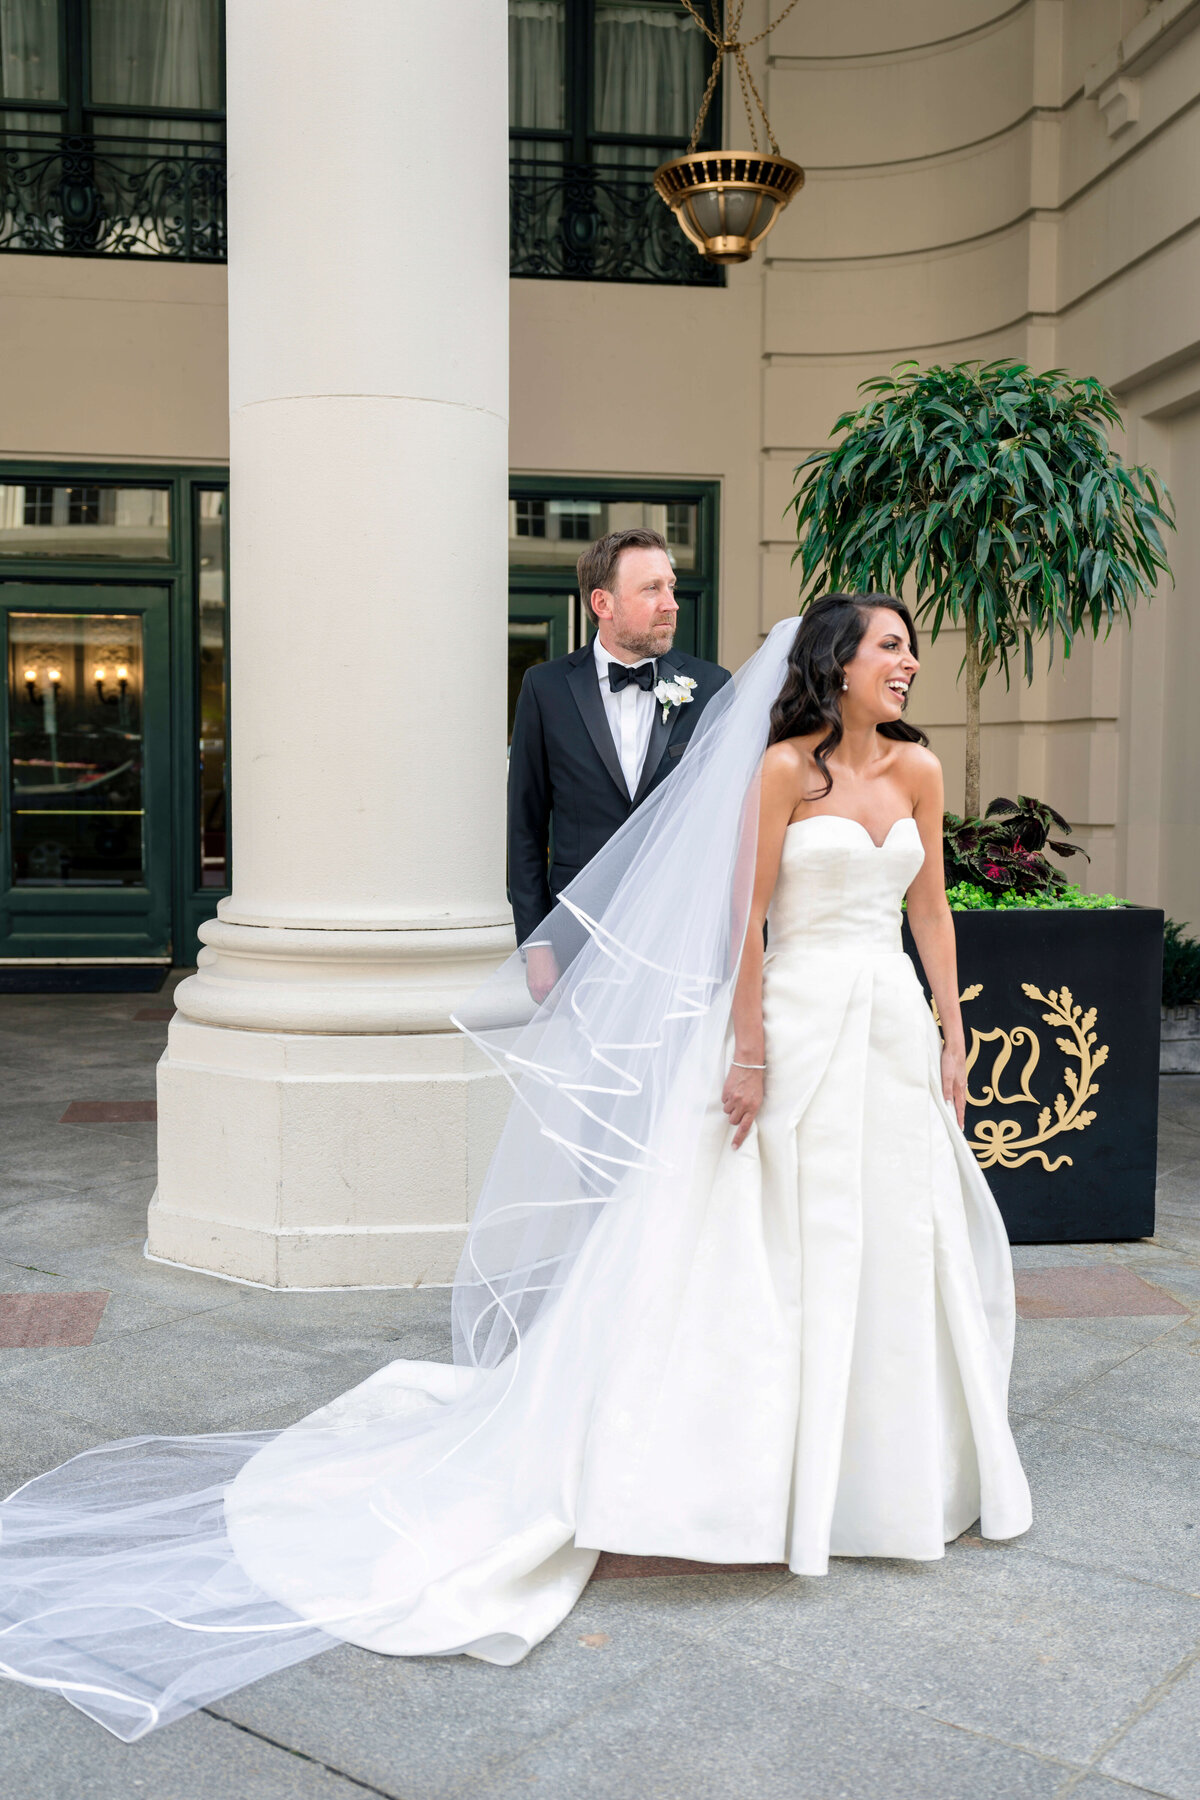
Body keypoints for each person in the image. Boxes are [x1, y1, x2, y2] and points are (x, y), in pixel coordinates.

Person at [0, 596, 1031, 1741]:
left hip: (885, 1024)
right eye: (891, 646)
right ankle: (730, 1469)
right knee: (758, 1237)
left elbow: (929, 907)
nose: (910, 664)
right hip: (791, 1022)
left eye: (910, 649)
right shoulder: (786, 770)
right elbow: (744, 922)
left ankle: (883, 1469)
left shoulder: (922, 772)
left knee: (894, 1231)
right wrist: (748, 1049)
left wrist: (952, 1029)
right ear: (836, 663)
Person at [507, 526, 729, 1000]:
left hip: (678, 938)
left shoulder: (711, 687)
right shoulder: (544, 689)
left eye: (671, 586)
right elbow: (525, 828)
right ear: (603, 604)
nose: (671, 603)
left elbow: (729, 822)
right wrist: (538, 942)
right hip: (578, 940)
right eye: (652, 589)